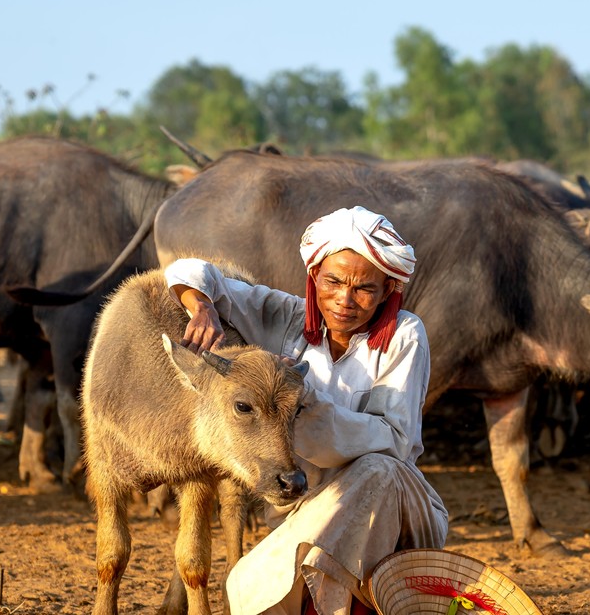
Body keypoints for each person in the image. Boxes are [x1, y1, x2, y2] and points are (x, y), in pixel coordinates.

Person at [165, 206, 449, 615]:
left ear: (389, 290)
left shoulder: (405, 335)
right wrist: (203, 307)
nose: (345, 300)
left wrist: (307, 400)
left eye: (365, 288)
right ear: (314, 276)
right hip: (303, 510)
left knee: (379, 471)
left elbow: (396, 443)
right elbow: (188, 270)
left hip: (395, 515)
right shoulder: (287, 317)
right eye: (333, 281)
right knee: (249, 586)